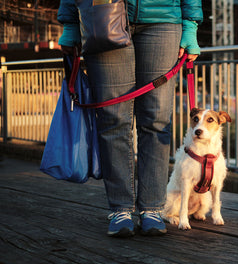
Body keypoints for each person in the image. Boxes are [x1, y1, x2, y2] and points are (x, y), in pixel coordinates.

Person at [57, 0, 203, 237]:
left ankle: (152, 209)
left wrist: (191, 24)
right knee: (113, 120)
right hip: (102, 13)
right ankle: (120, 209)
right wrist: (71, 22)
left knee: (156, 120)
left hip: (163, 19)